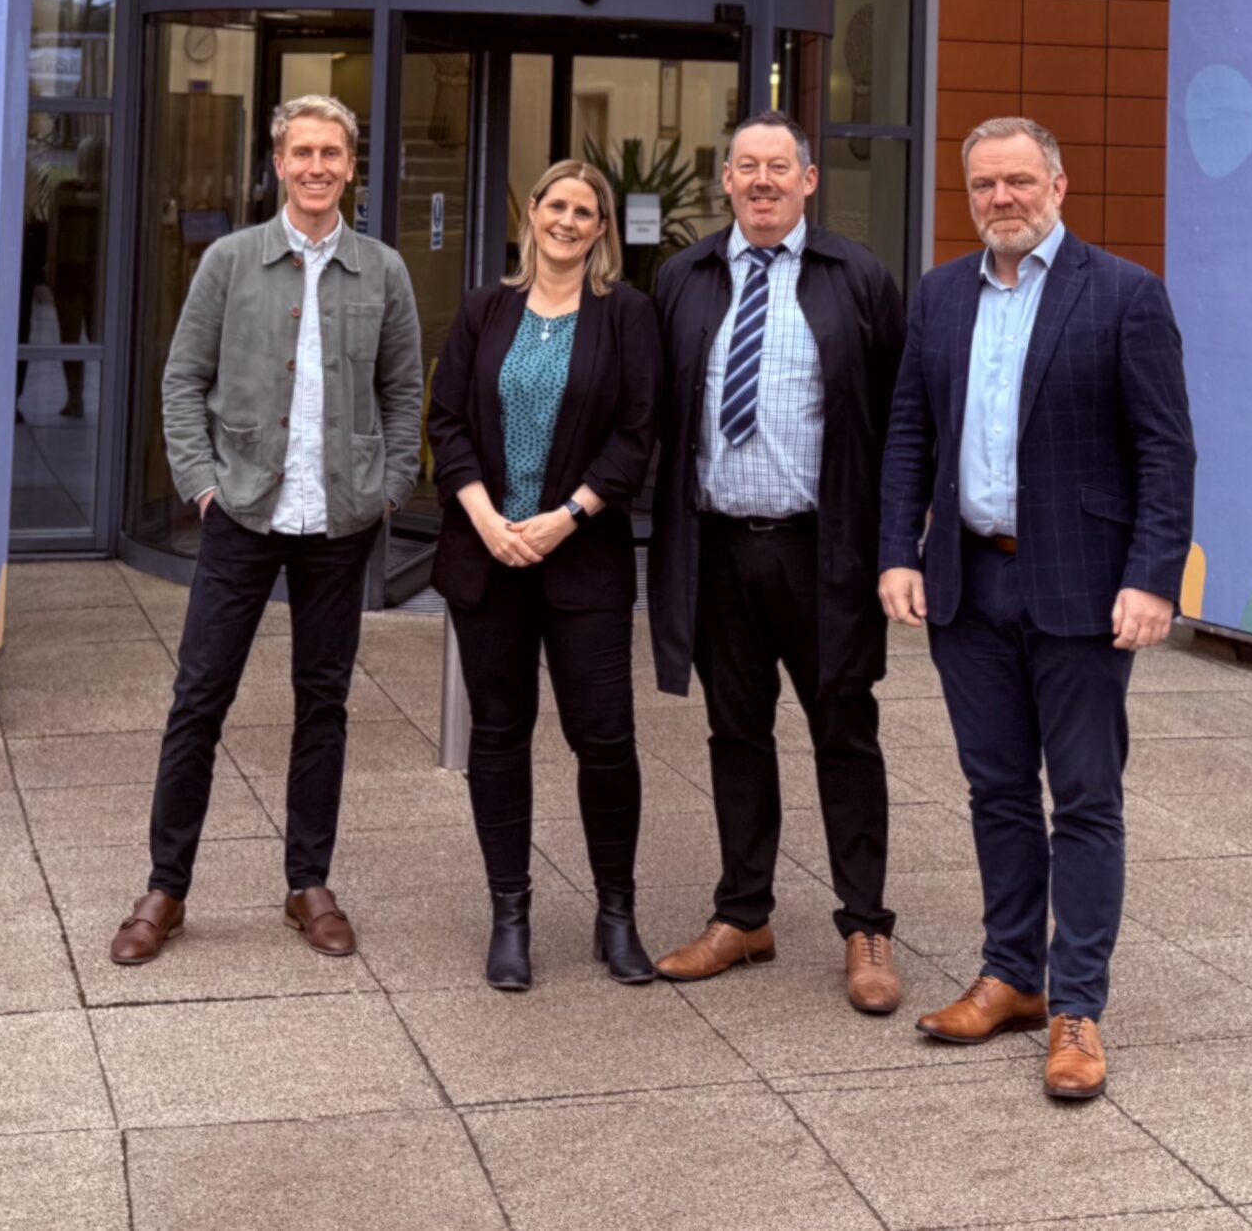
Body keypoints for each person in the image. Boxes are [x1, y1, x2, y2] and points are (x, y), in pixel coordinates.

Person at [879, 116, 1193, 1103]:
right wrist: (897, 550)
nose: (1001, 199)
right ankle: (1011, 975)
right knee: (998, 790)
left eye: (1018, 180)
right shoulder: (938, 296)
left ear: (1057, 183)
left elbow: (1164, 451)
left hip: (1085, 588)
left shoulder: (1124, 295)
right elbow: (906, 436)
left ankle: (1075, 1006)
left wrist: (1152, 575)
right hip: (969, 584)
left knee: (1086, 798)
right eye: (984, 185)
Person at [109, 94, 423, 970]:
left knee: (324, 704)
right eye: (302, 152)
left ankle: (307, 883)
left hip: (339, 520)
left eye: (333, 153)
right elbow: (181, 382)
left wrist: (390, 487)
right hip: (243, 512)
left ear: (350, 167)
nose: (317, 166)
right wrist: (202, 488)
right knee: (198, 700)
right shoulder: (230, 261)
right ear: (278, 163)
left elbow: (404, 392)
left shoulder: (384, 271)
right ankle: (165, 887)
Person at [646, 113, 909, 1016]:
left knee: (844, 732)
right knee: (736, 735)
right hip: (718, 549)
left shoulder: (857, 279)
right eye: (745, 167)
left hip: (822, 553)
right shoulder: (682, 277)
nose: (762, 181)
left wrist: (898, 549)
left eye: (778, 167)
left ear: (808, 181)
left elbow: (899, 424)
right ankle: (743, 915)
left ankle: (866, 924)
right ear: (726, 182)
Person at [428, 158, 662, 990]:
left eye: (585, 211)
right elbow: (446, 422)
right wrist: (491, 522)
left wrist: (565, 518)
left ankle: (616, 914)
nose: (568, 221)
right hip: (489, 564)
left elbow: (637, 435)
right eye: (556, 205)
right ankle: (511, 916)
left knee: (604, 740)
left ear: (602, 231)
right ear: (531, 213)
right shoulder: (485, 309)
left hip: (582, 564)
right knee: (498, 736)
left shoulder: (626, 315)